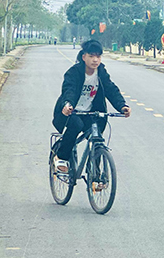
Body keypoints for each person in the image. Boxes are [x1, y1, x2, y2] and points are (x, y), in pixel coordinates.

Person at [52, 39, 130, 174]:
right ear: (84, 57)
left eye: (98, 56)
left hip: (91, 113)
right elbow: (68, 90)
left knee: (97, 139)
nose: (95, 60)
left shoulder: (101, 72)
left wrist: (122, 106)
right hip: (72, 112)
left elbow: (111, 89)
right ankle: (61, 157)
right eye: (91, 56)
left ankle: (95, 174)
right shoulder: (74, 72)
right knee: (75, 126)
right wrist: (67, 105)